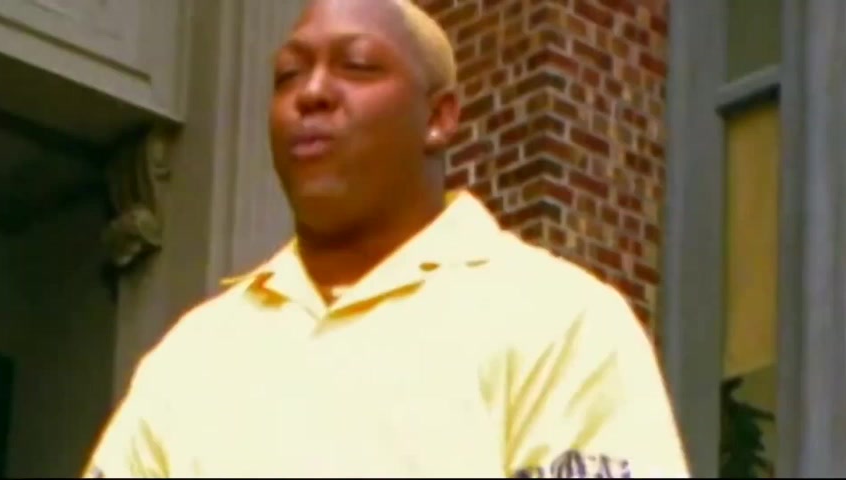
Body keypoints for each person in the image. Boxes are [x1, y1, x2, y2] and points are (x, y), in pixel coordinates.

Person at [82, 0, 690, 477]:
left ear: (439, 118)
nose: (311, 93)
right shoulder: (192, 356)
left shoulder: (559, 322)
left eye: (357, 65)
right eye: (288, 74)